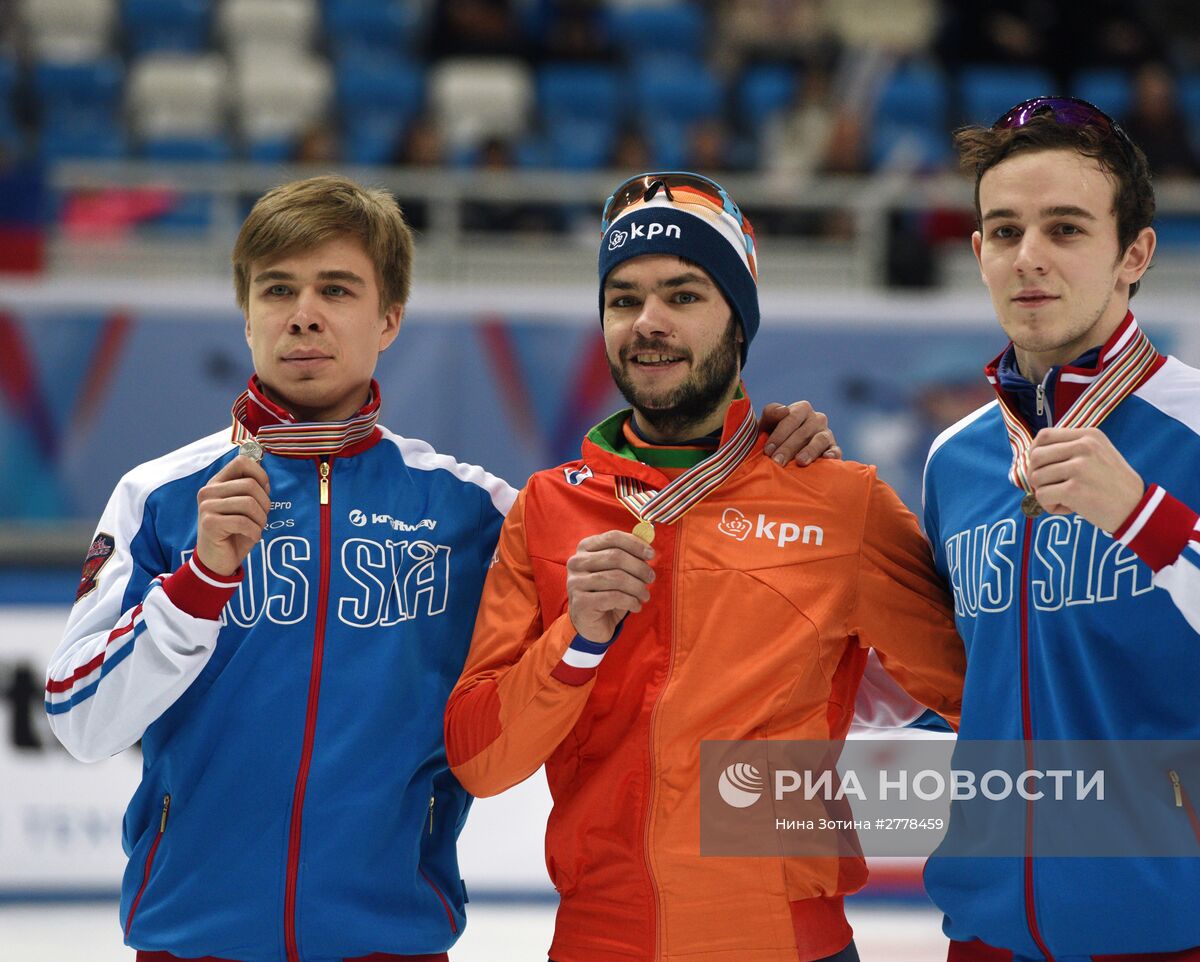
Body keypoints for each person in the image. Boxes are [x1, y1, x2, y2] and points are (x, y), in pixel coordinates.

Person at [43, 174, 839, 962]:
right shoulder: (161, 497)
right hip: (189, 943)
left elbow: (666, 633)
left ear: (389, 318)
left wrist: (754, 459)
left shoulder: (475, 512)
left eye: (338, 289)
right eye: (277, 289)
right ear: (246, 315)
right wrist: (199, 584)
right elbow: (81, 723)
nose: (305, 314)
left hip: (395, 943)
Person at [443, 171, 966, 962]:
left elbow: (987, 696)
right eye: (623, 300)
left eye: (684, 296)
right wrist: (577, 642)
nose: (647, 323)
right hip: (599, 941)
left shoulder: (839, 502)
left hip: (788, 944)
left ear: (738, 322)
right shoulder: (547, 510)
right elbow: (482, 761)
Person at [914, 96, 1200, 961]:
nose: (1030, 259)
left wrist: (1149, 521)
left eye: (1065, 229)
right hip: (986, 940)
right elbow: (938, 685)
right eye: (1006, 230)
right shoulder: (957, 460)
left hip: (1194, 939)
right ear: (977, 251)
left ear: (1134, 254)